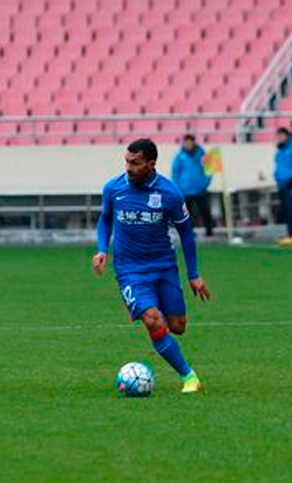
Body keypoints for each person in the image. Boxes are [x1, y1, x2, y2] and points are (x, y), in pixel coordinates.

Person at [93, 138, 211, 394]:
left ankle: (152, 322)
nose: (128, 167)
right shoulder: (113, 189)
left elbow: (187, 234)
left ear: (150, 164)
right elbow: (105, 220)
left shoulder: (169, 193)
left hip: (163, 266)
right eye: (126, 161)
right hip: (130, 270)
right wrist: (102, 249)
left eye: (134, 163)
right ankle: (190, 377)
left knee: (177, 326)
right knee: (153, 320)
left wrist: (194, 274)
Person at [171, 134, 214, 238]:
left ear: (194, 142)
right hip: (185, 191)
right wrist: (178, 188)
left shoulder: (202, 155)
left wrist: (205, 184)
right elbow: (175, 173)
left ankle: (209, 233)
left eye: (190, 142)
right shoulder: (179, 156)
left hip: (200, 190)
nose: (188, 144)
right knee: (186, 214)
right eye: (186, 142)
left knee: (205, 211)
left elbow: (209, 171)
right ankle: (189, 233)